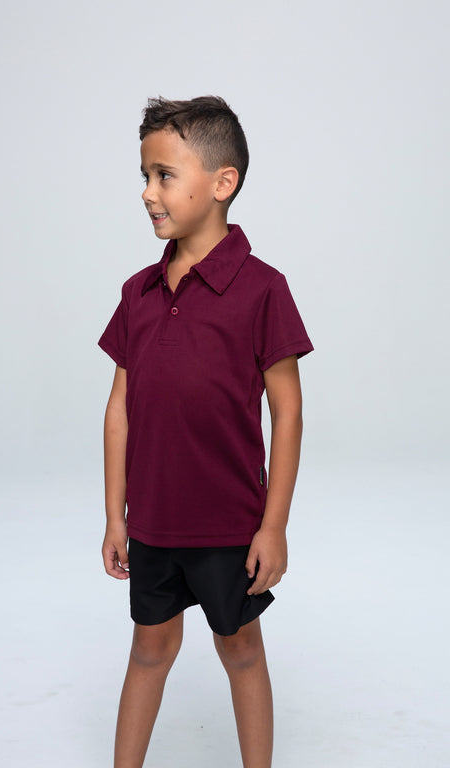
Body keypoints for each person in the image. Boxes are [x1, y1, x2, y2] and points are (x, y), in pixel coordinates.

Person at [98, 96, 313, 768]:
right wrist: (115, 516)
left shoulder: (263, 289)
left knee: (241, 651)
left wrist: (274, 526)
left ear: (223, 182)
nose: (148, 192)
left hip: (229, 525)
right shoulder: (137, 292)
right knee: (149, 649)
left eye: (164, 175)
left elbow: (288, 412)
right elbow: (118, 408)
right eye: (144, 175)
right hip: (154, 522)